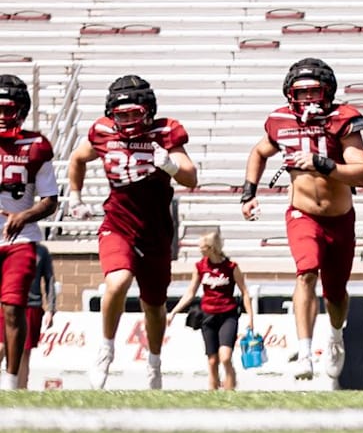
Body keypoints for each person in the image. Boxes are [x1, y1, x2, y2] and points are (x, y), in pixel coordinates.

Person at [241, 58, 363, 381]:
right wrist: (248, 193)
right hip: (302, 213)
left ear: (328, 93)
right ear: (290, 95)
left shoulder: (343, 120)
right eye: (302, 93)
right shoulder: (281, 121)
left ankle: (335, 336)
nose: (309, 100)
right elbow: (259, 152)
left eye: (315, 92)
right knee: (306, 272)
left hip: (340, 217)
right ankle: (304, 352)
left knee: (336, 295)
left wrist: (323, 164)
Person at [70, 75, 197, 390]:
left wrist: (169, 166)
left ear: (148, 111)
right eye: (121, 114)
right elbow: (77, 158)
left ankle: (154, 366)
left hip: (155, 232)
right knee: (118, 279)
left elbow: (191, 178)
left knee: (154, 306)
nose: (127, 121)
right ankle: (105, 349)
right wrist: (75, 196)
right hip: (118, 224)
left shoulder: (165, 132)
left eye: (134, 114)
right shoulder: (101, 131)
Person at [0, 76, 59, 390]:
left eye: (6, 109)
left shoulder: (35, 145)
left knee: (13, 309)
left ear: (21, 111)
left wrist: (25, 214)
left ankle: (11, 383)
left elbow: (50, 200)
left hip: (19, 239)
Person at [166, 230, 255, 390]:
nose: (200, 250)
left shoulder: (231, 267)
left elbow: (245, 292)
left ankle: (230, 389)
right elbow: (190, 292)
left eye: (202, 247)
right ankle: (212, 391)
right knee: (212, 360)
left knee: (225, 357)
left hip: (228, 314)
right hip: (208, 314)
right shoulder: (200, 267)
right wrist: (173, 312)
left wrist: (250, 318)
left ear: (211, 248)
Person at [14, 242, 56, 389]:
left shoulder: (41, 251)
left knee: (25, 352)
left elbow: (49, 280)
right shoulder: (7, 246)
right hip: (8, 304)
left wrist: (50, 308)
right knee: (3, 347)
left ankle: (20, 389)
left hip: (32, 305)